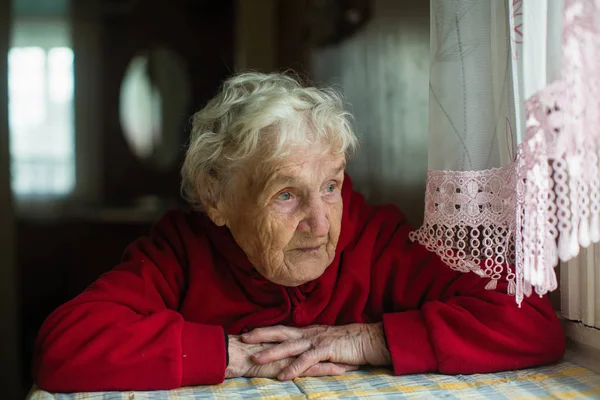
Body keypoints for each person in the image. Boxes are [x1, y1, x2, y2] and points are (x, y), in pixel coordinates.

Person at [33, 72, 565, 392]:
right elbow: (64, 346)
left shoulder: (375, 240)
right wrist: (233, 356)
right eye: (285, 194)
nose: (319, 222)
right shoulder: (182, 251)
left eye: (330, 186)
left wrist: (369, 339)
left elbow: (530, 320)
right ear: (217, 197)